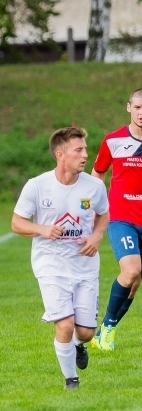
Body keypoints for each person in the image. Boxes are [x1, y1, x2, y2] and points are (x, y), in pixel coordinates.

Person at [12, 126, 109, 390]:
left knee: (86, 332)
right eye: (79, 150)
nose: (85, 155)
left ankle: (79, 346)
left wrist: (97, 236)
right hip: (50, 264)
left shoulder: (95, 186)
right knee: (64, 324)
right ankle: (71, 380)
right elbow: (17, 223)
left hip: (85, 265)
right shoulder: (37, 186)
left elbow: (103, 214)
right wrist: (42, 229)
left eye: (85, 149)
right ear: (60, 154)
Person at [90, 88, 142, 351]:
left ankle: (106, 330)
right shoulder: (113, 141)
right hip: (121, 217)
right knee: (130, 270)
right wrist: (93, 209)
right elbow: (97, 174)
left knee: (134, 283)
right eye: (138, 108)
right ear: (128, 108)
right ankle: (106, 331)